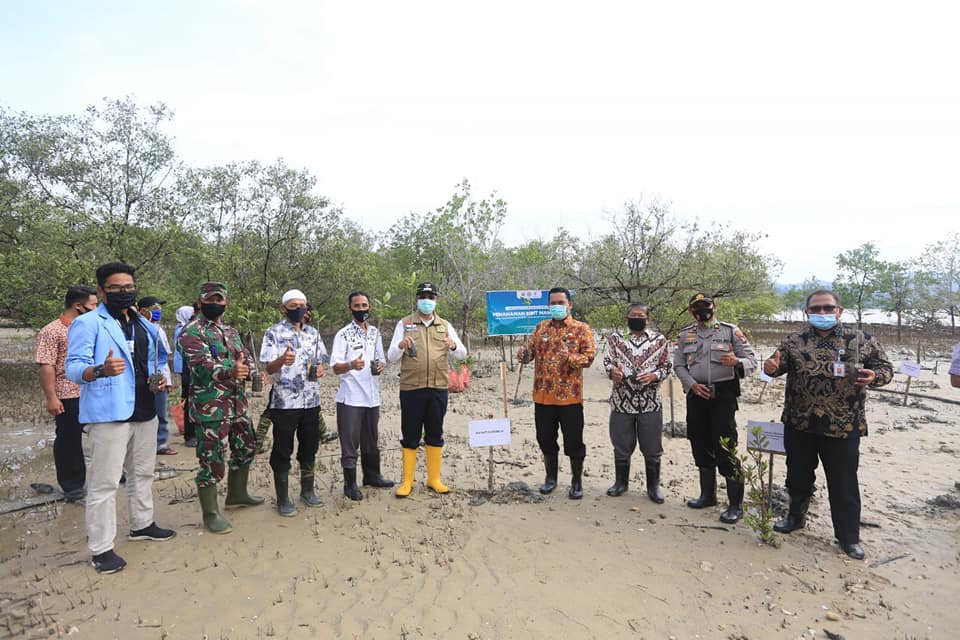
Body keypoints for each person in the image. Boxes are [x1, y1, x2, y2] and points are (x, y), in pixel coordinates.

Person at [763, 289, 893, 560]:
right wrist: (770, 368)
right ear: (807, 312)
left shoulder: (861, 340)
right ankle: (795, 518)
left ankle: (848, 538)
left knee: (844, 483)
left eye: (827, 308)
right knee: (797, 478)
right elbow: (775, 367)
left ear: (839, 310)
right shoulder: (793, 340)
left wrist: (875, 376)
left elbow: (885, 369)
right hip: (800, 423)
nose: (822, 313)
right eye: (816, 309)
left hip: (843, 426)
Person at [65, 262, 176, 574]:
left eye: (129, 288)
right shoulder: (88, 323)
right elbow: (73, 367)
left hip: (145, 409)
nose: (124, 293)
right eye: (115, 289)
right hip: (109, 413)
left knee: (142, 473)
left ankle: (142, 524)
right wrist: (100, 370)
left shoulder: (145, 325)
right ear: (101, 291)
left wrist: (158, 379)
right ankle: (101, 549)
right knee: (105, 483)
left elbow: (154, 360)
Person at [179, 282, 264, 534]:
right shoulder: (191, 332)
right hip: (211, 408)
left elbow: (245, 358)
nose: (215, 303)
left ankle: (237, 495)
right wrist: (230, 371)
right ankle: (211, 514)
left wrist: (253, 372)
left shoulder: (231, 331)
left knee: (247, 448)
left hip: (238, 404)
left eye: (219, 299)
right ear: (201, 301)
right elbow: (200, 365)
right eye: (210, 299)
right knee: (211, 460)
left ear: (226, 302)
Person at [673, 292, 757, 524]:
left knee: (725, 446)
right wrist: (691, 385)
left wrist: (737, 362)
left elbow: (752, 361)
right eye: (697, 307)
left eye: (706, 306)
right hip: (696, 395)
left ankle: (735, 505)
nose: (702, 310)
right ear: (691, 311)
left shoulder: (730, 331)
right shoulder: (685, 335)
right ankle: (707, 496)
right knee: (699, 442)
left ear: (714, 307)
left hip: (724, 395)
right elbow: (678, 365)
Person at [387, 282, 467, 497]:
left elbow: (462, 354)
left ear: (436, 300)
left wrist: (453, 346)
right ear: (416, 299)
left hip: (438, 387)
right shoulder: (404, 324)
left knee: (435, 432)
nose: (426, 300)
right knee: (410, 434)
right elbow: (391, 357)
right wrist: (400, 346)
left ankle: (434, 479)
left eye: (430, 296)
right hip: (412, 388)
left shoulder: (445, 325)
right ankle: (407, 481)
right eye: (423, 296)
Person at [516, 287, 596, 499]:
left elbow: (589, 358)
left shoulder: (581, 329)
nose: (557, 307)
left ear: (570, 304)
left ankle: (577, 481)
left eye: (561, 302)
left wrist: (569, 357)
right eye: (553, 303)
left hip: (570, 397)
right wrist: (524, 355)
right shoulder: (541, 328)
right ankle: (551, 478)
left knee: (574, 442)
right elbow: (530, 354)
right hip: (543, 396)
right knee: (545, 439)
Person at [259, 289, 327, 516]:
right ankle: (283, 498)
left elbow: (322, 361)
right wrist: (282, 360)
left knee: (310, 447)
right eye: (294, 305)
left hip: (311, 401)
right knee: (282, 450)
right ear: (283, 308)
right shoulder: (273, 333)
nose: (299, 309)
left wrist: (320, 370)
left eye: (303, 305)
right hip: (285, 403)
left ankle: (308, 491)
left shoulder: (313, 334)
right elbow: (267, 368)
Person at [602, 302, 672, 502]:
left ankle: (653, 487)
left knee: (652, 447)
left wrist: (654, 375)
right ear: (626, 318)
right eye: (633, 315)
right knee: (621, 445)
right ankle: (621, 484)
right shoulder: (615, 339)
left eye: (641, 315)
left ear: (648, 319)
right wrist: (612, 372)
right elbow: (608, 362)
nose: (637, 318)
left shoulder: (659, 340)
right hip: (621, 402)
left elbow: (667, 366)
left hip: (650, 403)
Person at [36, 285, 98, 503]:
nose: (96, 309)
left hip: (93, 389)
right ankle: (72, 487)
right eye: (93, 305)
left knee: (104, 433)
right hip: (68, 392)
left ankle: (112, 475)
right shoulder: (52, 331)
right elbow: (47, 365)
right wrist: (52, 397)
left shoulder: (92, 326)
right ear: (78, 306)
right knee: (69, 440)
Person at [330, 291, 394, 500]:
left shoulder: (375, 332)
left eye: (364, 305)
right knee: (350, 442)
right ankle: (350, 484)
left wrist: (381, 366)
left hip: (372, 396)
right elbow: (335, 368)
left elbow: (380, 359)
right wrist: (351, 365)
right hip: (351, 397)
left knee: (371, 440)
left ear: (369, 307)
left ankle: (372, 475)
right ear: (350, 309)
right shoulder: (343, 335)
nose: (361, 309)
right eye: (356, 306)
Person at [138, 296, 177, 456]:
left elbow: (163, 357)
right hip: (141, 373)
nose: (158, 312)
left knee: (161, 411)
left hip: (158, 373)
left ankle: (161, 443)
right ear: (142, 311)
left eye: (159, 309)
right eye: (154, 309)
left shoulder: (159, 329)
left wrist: (168, 379)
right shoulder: (137, 328)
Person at [173, 305, 198, 448]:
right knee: (189, 399)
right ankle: (189, 433)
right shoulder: (185, 330)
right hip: (187, 368)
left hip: (189, 368)